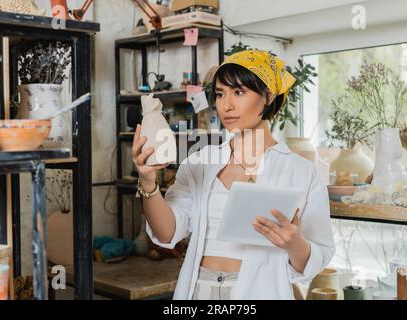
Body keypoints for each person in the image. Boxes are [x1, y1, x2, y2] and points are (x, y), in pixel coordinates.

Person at [132, 50, 335, 300]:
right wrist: (148, 181)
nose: (225, 105)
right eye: (220, 94)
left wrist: (294, 243)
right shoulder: (199, 162)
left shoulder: (301, 172)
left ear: (268, 97)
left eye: (238, 92)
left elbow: (316, 259)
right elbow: (166, 234)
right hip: (198, 290)